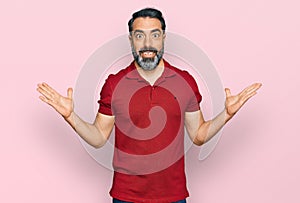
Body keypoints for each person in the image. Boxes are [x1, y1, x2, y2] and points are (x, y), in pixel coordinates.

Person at [37, 8, 262, 203]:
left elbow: (199, 135)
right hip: (126, 196)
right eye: (139, 35)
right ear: (131, 39)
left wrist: (227, 114)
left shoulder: (185, 81)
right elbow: (98, 137)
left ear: (163, 38)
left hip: (173, 195)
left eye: (154, 35)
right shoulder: (114, 83)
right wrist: (70, 116)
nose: (147, 44)